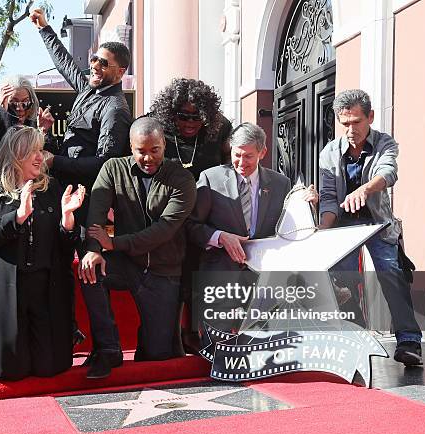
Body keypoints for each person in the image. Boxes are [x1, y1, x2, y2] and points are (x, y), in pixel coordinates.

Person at [79, 117, 196, 379]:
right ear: (130, 147)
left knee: (157, 355)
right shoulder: (112, 168)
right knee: (89, 265)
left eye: (154, 150)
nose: (147, 158)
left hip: (163, 270)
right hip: (123, 264)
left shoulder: (182, 178)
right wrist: (96, 248)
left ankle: (152, 338)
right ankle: (107, 349)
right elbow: (95, 215)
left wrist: (115, 242)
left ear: (163, 145)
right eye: (140, 151)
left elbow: (165, 230)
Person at [0, 126, 84, 380]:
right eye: (33, 151)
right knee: (11, 371)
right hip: (8, 287)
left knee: (48, 368)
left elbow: (64, 246)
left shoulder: (51, 187)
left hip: (45, 286)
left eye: (41, 150)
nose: (40, 156)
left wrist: (67, 219)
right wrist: (17, 217)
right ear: (15, 154)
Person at [319, 89, 423, 366]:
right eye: (345, 123)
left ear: (370, 117)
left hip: (379, 225)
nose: (350, 129)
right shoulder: (329, 152)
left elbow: (388, 173)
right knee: (344, 284)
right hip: (343, 227)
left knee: (392, 275)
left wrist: (364, 190)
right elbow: (329, 197)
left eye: (356, 122)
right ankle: (353, 342)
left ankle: (409, 342)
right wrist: (322, 230)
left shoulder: (385, 143)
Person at [149, 78, 233, 354]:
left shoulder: (219, 131)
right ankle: (172, 336)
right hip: (167, 216)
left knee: (198, 275)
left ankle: (194, 333)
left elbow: (231, 167)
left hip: (204, 216)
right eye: (182, 116)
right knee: (174, 276)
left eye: (196, 117)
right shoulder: (156, 128)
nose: (189, 122)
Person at [30, 8, 132, 226]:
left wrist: (55, 160)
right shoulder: (88, 89)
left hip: (87, 203)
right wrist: (44, 29)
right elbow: (65, 64)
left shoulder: (115, 109)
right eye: (94, 59)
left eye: (103, 63)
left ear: (121, 71)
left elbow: (105, 163)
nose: (95, 66)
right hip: (64, 192)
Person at [187, 123, 295, 270]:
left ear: (262, 153)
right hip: (221, 275)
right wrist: (220, 237)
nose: (241, 163)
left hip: (265, 274)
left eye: (248, 156)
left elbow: (289, 230)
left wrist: (304, 202)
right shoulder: (211, 178)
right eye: (237, 155)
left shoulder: (281, 184)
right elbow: (191, 225)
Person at [0, 75, 54, 171]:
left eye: (25, 103)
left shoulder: (36, 127)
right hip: (1, 184)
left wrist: (43, 132)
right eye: (13, 103)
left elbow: (48, 161)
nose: (20, 109)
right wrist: (1, 113)